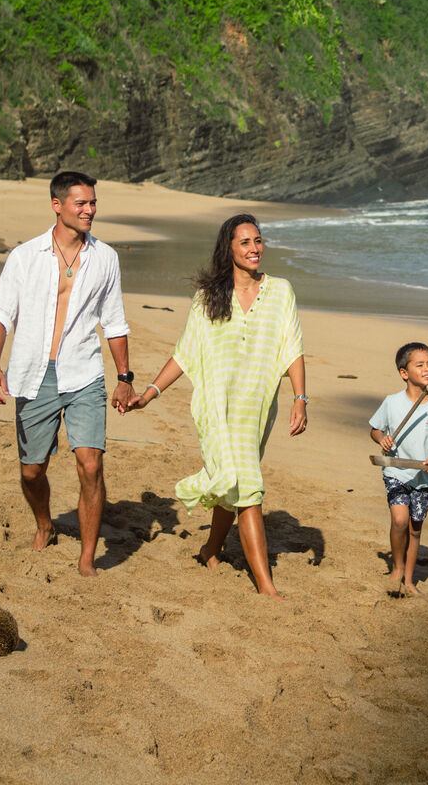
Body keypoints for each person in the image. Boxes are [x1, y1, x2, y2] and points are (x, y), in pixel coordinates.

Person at [127, 214, 308, 599]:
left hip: (257, 406)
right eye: (245, 242)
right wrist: (149, 393)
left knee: (234, 478)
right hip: (218, 407)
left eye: (258, 240)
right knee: (248, 486)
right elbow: (185, 353)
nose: (255, 248)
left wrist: (300, 398)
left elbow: (292, 347)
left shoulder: (280, 291)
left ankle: (211, 549)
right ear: (229, 248)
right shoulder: (208, 297)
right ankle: (266, 586)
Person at [0, 170, 135, 578]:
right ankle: (45, 524)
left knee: (91, 465)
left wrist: (124, 378)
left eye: (93, 203)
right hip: (33, 373)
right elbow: (0, 316)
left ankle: (87, 557)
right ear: (57, 205)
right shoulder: (24, 257)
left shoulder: (105, 258)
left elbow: (114, 322)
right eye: (81, 203)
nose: (90, 210)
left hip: (84, 372)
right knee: (32, 471)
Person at [368, 341, 428, 597]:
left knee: (414, 528)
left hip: (424, 478)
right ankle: (397, 568)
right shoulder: (391, 402)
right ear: (404, 372)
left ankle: (409, 580)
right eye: (419, 365)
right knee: (399, 520)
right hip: (396, 472)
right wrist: (381, 439)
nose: (427, 369)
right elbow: (375, 429)